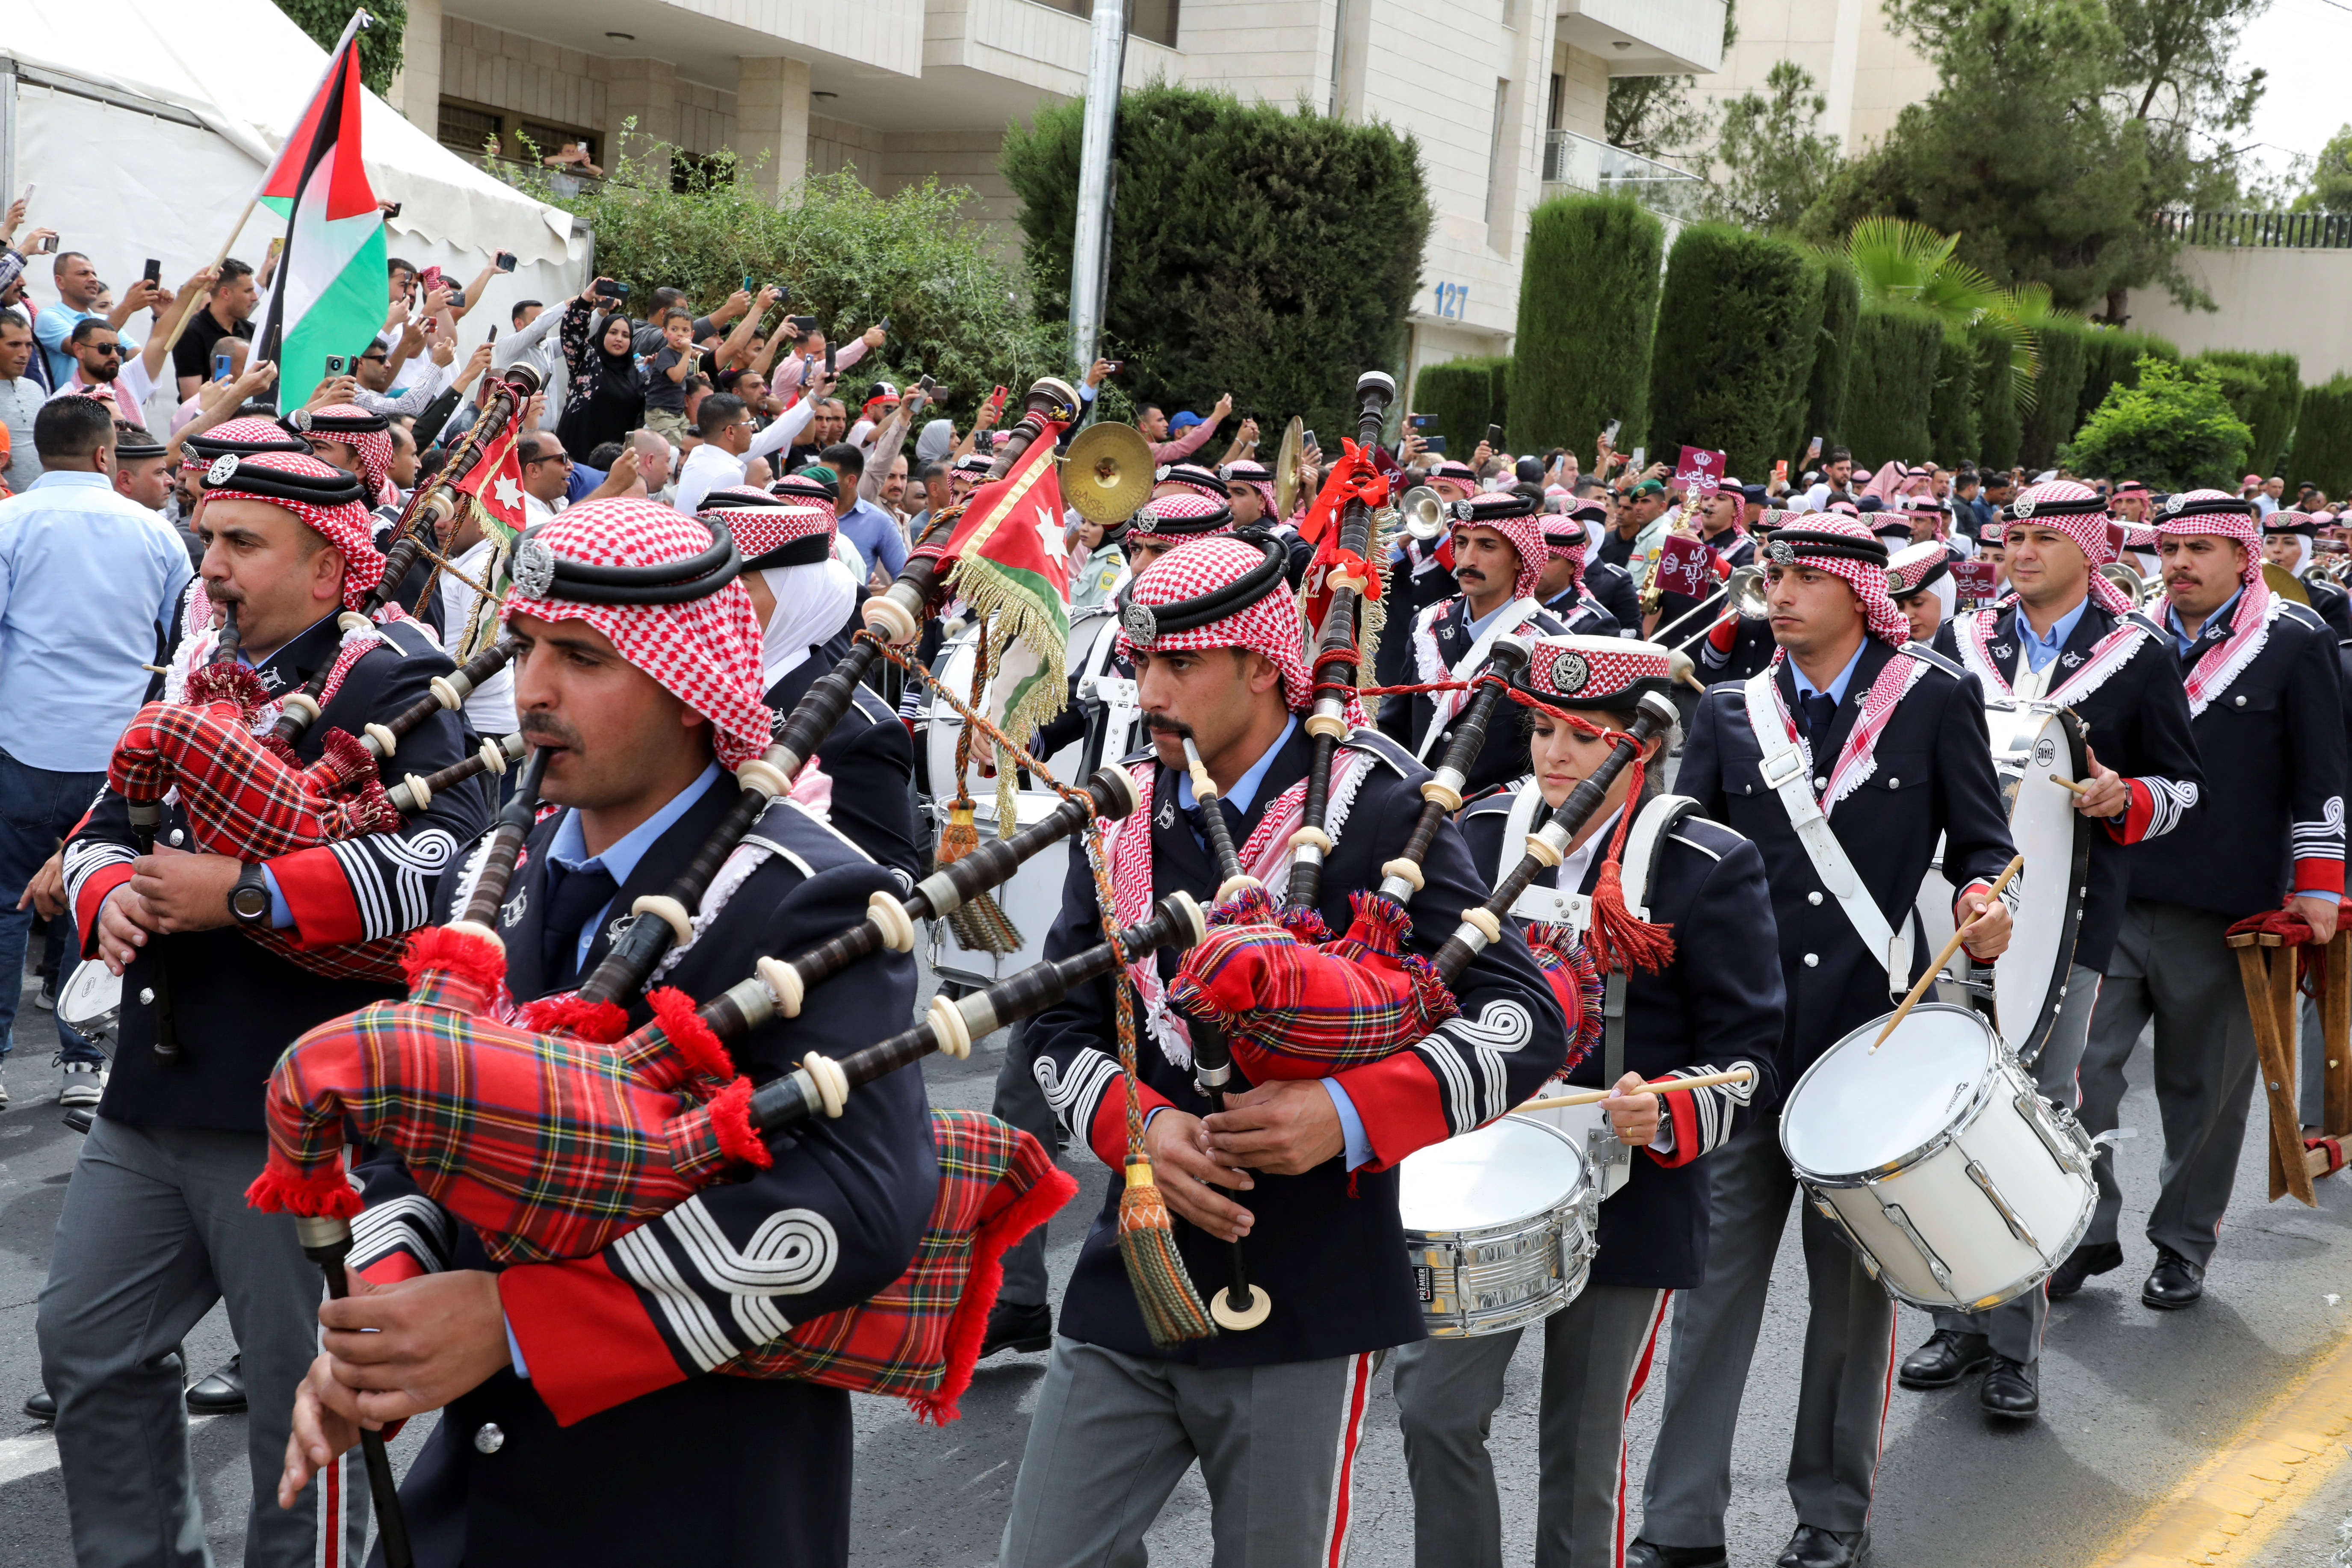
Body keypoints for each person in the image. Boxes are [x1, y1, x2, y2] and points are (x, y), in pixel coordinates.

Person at [279, 498, 936, 1566]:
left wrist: (512, 1322)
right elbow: (426, 1117)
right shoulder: (503, 871)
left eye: (582, 657)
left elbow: (858, 1209)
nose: (533, 690)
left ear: (691, 684)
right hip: (478, 1496)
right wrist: (392, 1307)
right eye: (526, 646)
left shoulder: (806, 895)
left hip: (693, 1501)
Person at [999, 533, 1565, 1568]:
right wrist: (1141, 1126)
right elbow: (1056, 1021)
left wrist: (1342, 1115)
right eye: (1140, 662)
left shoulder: (1379, 804)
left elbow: (1522, 1016)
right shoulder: (1123, 810)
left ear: (1262, 663)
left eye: (1180, 664)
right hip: (1136, 1263)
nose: (1149, 691)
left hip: (1307, 1282)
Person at [47, 447, 486, 1567]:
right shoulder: (202, 667)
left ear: (328, 569)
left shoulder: (392, 680)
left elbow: (446, 870)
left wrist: (243, 893)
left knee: (307, 1405)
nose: (212, 565)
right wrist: (109, 894)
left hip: (300, 1115)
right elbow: (103, 822)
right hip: (152, 1094)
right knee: (88, 1347)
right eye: (207, 538)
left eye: (242, 543)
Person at [1629, 515, 2016, 1568]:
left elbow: (1982, 841)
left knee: (1849, 1302)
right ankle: (1679, 1521)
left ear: (1857, 591)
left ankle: (1832, 1515)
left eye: (1803, 576)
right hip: (1741, 1049)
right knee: (1708, 1292)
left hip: (1866, 1044)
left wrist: (1982, 899)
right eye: (1772, 574)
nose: (1779, 592)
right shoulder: (1728, 708)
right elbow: (1681, 860)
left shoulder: (1930, 696)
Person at [1398, 636, 1785, 1568]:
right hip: (1480, 1171)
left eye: (1585, 736)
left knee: (1580, 1450)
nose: (1555, 755)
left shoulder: (1705, 861)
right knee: (1433, 1408)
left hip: (1628, 1187)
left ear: (1637, 748)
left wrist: (1668, 1107)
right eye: (1542, 730)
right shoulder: (1479, 832)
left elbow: (1749, 1060)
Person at [1912, 479, 2202, 1416]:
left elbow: (2184, 787)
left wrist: (2127, 797)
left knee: (2029, 1121)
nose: (2021, 552)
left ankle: (2013, 1347)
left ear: (2089, 549)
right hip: (1951, 917)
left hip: (2069, 927)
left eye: (2043, 537)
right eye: (2012, 537)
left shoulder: (2136, 654)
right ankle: (1954, 1320)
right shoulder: (1963, 643)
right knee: (1939, 1121)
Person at [2072, 490, 2346, 1312]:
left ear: (2242, 554)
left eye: (2200, 549)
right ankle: (2085, 1228)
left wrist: (2319, 886)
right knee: (2082, 1072)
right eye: (2169, 549)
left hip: (2227, 907)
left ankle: (2184, 1243)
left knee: (2206, 1092)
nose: (2180, 564)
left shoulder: (2294, 640)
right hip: (2115, 893)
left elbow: (2321, 772)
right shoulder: (2126, 638)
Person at [0, 399, 190, 1110]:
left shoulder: (10, 522)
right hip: (121, 757)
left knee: (8, 904)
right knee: (96, 893)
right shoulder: (155, 533)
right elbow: (182, 648)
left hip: (24, 744)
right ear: (106, 455)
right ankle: (83, 1061)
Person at [702, 480, 919, 878]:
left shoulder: (857, 728)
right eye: (706, 584)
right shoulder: (695, 690)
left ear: (793, 596)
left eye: (739, 585)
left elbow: (891, 877)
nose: (713, 603)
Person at [1384, 490, 1572, 797]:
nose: (1468, 560)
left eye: (1487, 546)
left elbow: (1559, 759)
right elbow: (1396, 726)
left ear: (1520, 558)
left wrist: (1480, 807)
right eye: (1461, 543)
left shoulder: (1552, 645)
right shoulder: (1428, 624)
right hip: (1413, 808)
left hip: (1492, 817)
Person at [674, 392, 811, 517]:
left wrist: (814, 398)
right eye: (749, 422)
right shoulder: (728, 474)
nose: (753, 428)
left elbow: (773, 436)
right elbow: (726, 528)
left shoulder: (700, 453)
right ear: (731, 432)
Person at [553, 286, 646, 461]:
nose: (619, 339)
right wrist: (586, 299)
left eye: (626, 335)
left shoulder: (637, 376)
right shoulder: (586, 362)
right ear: (602, 334)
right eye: (613, 332)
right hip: (575, 460)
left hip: (612, 463)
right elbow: (572, 333)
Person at [819, 442, 909, 584]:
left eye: (828, 477)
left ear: (851, 481)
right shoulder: (811, 514)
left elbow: (905, 581)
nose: (820, 482)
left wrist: (868, 595)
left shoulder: (880, 522)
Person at [1534, 496, 1625, 637]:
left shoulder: (1595, 622)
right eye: (1534, 555)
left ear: (1572, 566)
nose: (1537, 564)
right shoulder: (1509, 604)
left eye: (1550, 558)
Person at [170, 259, 257, 399]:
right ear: (225, 293)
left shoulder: (253, 331)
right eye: (248, 291)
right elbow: (191, 399)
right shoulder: (190, 333)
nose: (255, 297)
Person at [2264, 508, 2352, 638]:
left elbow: (2339, 647)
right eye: (2271, 542)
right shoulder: (2246, 589)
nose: (2277, 549)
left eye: (2289, 543)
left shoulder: (2328, 598)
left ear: (2306, 550)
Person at [1, 310, 44, 495]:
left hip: (39, 499)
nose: (24, 353)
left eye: (29, 345)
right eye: (14, 345)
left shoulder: (35, 389)